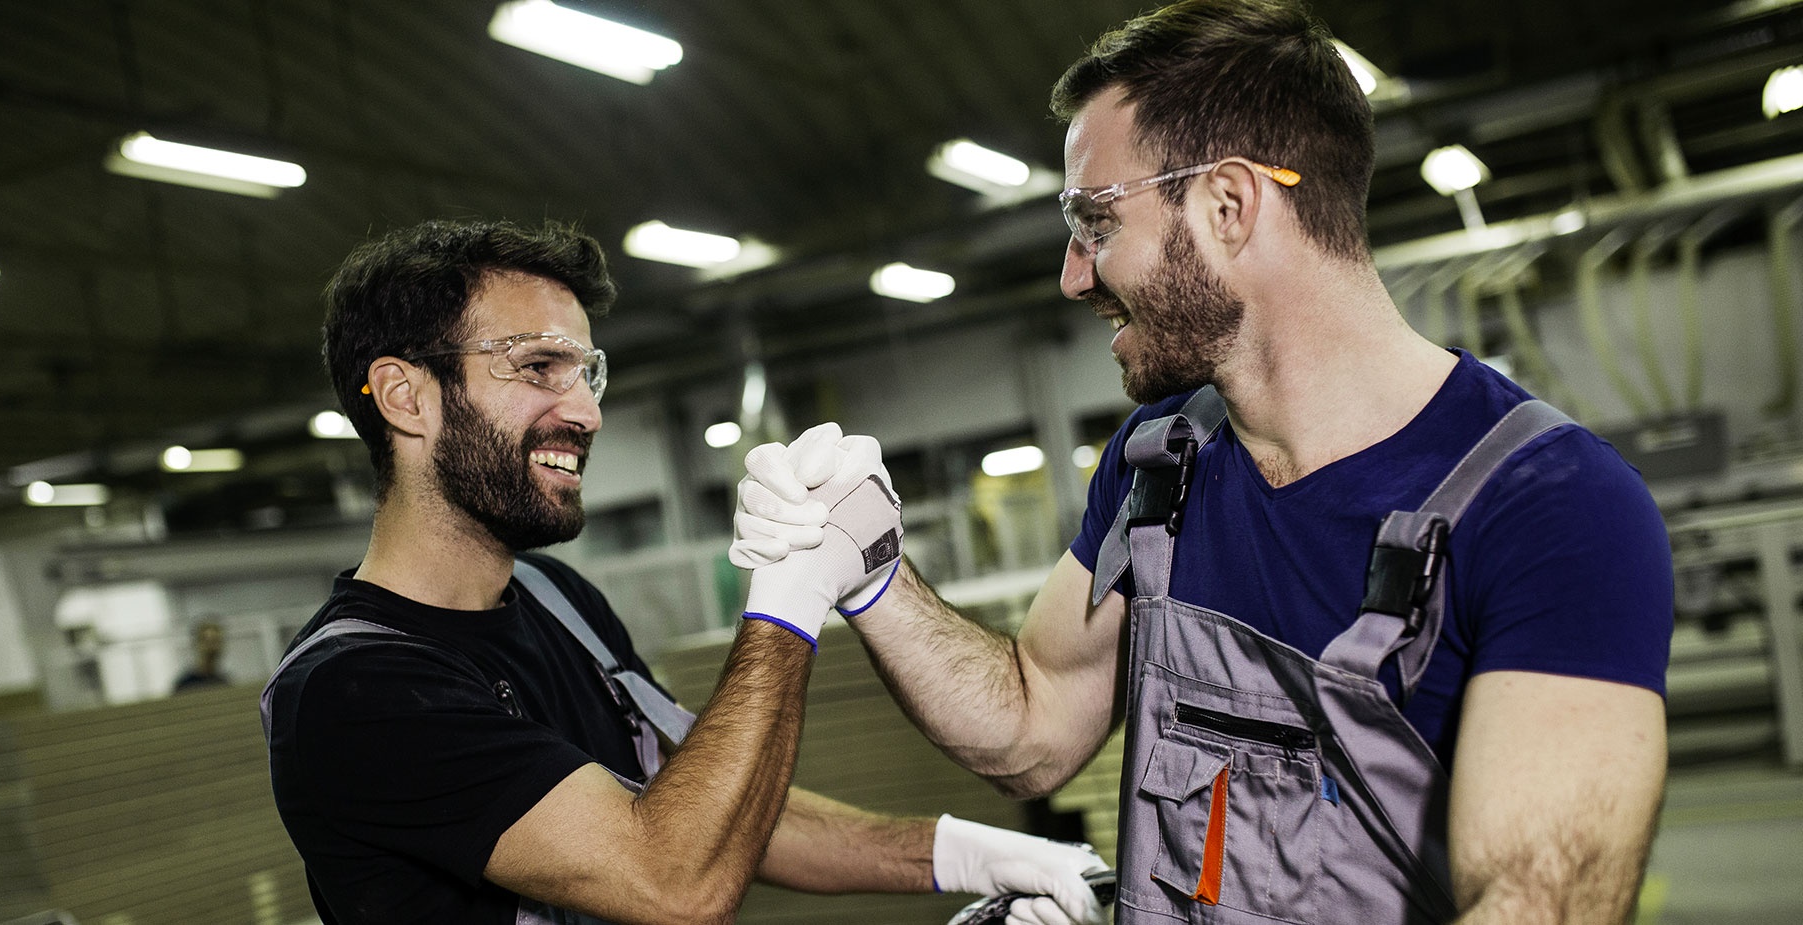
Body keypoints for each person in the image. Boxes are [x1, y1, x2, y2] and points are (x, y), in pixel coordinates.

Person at [730, 2, 1673, 922]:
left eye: (1096, 223)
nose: (1072, 273)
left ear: (1229, 204)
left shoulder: (1551, 507)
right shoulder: (1159, 469)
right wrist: (873, 567)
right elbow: (1032, 722)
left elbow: (1538, 904)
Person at [261, 219, 1111, 925]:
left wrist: (973, 854)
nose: (586, 411)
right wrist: (790, 594)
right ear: (405, 396)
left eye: (587, 373)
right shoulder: (351, 690)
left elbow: (705, 805)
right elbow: (671, 878)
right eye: (538, 367)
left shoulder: (561, 601)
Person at [172, 620, 229, 692]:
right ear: (197, 644)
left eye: (215, 641)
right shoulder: (185, 685)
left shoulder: (224, 684)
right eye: (207, 641)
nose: (211, 647)